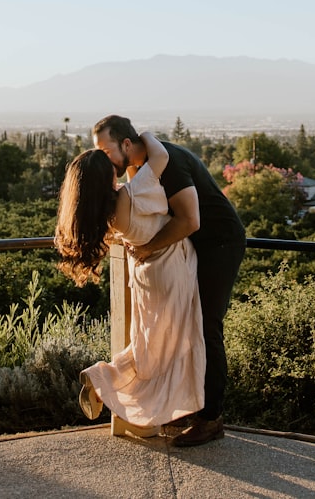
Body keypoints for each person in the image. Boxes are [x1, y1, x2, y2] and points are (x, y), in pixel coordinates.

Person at [93, 115, 246, 447]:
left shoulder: (171, 162)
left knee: (206, 326)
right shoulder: (141, 165)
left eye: (106, 152)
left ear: (127, 144)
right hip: (190, 250)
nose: (105, 161)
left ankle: (211, 420)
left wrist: (146, 247)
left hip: (218, 244)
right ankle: (182, 406)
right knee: (180, 326)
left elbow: (190, 220)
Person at [54, 132, 206, 436]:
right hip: (170, 270)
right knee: (177, 348)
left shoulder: (110, 213)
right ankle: (114, 385)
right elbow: (161, 158)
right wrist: (143, 135)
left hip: (144, 277)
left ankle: (106, 381)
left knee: (148, 349)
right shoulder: (132, 195)